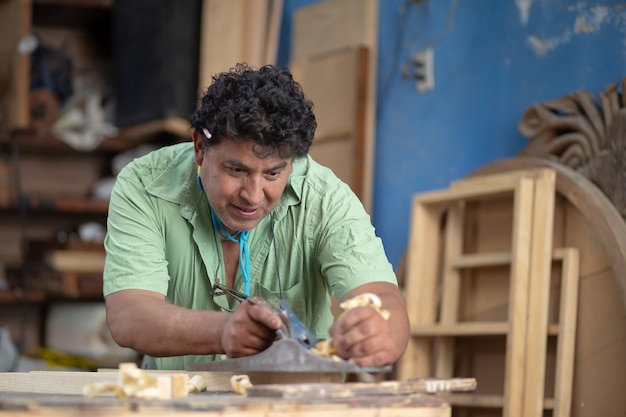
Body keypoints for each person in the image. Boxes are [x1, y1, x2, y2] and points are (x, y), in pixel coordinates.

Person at [103, 63, 409, 370]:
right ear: (199, 147)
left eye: (274, 173)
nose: (253, 194)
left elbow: (381, 295)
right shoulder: (144, 185)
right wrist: (222, 331)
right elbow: (128, 315)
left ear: (292, 162)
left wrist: (379, 333)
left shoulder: (326, 198)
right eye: (236, 170)